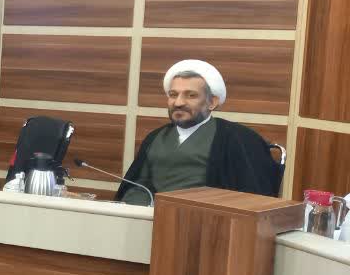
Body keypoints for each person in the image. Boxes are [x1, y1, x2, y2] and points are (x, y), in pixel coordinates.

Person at [117, 60, 279, 205]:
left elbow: (252, 198)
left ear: (212, 102)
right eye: (173, 95)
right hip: (153, 219)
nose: (178, 102)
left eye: (191, 95)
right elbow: (138, 185)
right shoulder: (155, 137)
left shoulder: (238, 138)